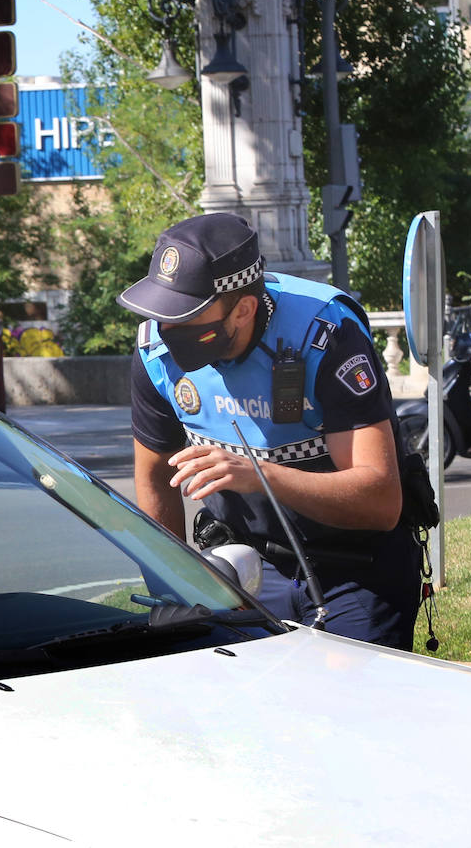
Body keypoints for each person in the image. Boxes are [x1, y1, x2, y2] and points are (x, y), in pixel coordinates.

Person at [119, 212, 422, 649]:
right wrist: (174, 584)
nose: (168, 332)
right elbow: (154, 478)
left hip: (357, 567)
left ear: (243, 309)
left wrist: (260, 475)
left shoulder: (327, 335)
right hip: (243, 563)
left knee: (350, 709)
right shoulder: (154, 351)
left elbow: (380, 502)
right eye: (163, 314)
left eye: (187, 318)